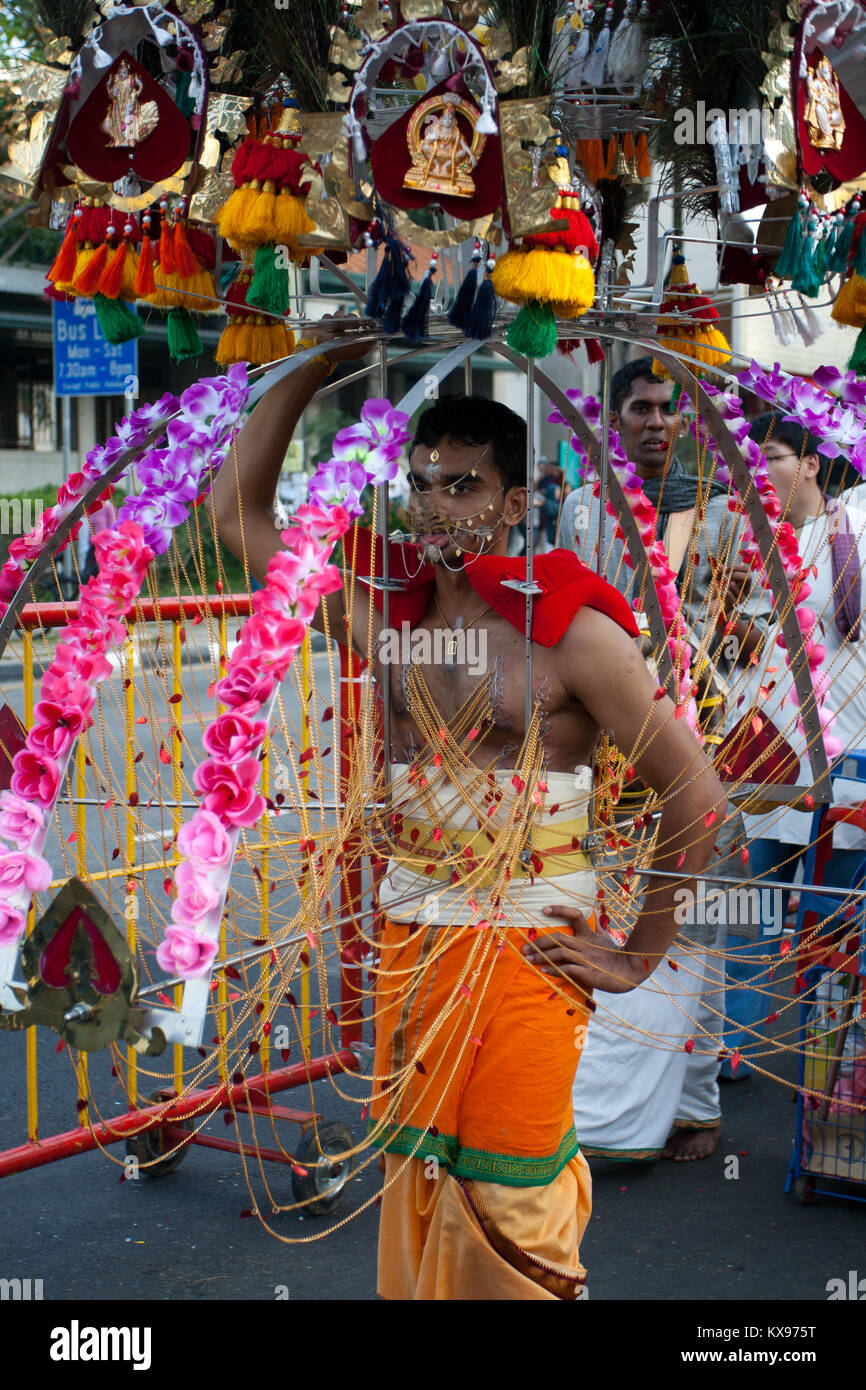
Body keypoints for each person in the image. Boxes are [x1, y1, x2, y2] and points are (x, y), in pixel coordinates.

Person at [210, 327, 724, 1300]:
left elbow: (691, 791)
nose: (437, 507)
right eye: (423, 484)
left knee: (511, 1195)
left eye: (463, 487)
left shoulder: (570, 634)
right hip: (412, 945)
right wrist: (317, 361)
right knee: (420, 1177)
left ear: (514, 502)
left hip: (528, 954)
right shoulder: (384, 611)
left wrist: (636, 954)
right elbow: (236, 514)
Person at [558, 357, 763, 1161]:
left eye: (667, 410)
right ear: (616, 419)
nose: (654, 421)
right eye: (639, 408)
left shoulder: (719, 515)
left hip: (700, 738)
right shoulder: (582, 506)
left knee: (699, 916)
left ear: (684, 424)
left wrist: (705, 625)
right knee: (630, 905)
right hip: (609, 740)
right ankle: (639, 1098)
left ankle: (695, 1104)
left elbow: (754, 628)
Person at [721, 413, 866, 1073]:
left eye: (770, 457)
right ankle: (732, 1053)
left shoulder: (853, 531)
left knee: (829, 924)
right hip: (763, 752)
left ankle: (820, 1063)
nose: (753, 474)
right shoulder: (735, 535)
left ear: (810, 462)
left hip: (847, 755)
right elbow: (713, 639)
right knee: (751, 909)